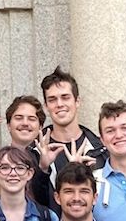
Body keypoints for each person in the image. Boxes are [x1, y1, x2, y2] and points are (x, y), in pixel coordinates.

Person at [36, 68, 105, 213]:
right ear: (46, 106)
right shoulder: (35, 150)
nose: (59, 104)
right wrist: (42, 169)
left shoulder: (100, 149)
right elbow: (32, 201)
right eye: (52, 99)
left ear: (77, 101)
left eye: (65, 97)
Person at [5, 96, 54, 209]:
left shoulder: (48, 159)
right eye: (19, 118)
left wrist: (43, 168)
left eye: (31, 119)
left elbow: (46, 201)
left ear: (40, 127)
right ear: (8, 125)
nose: (25, 123)